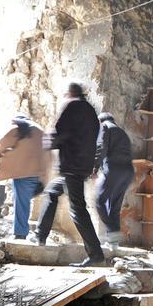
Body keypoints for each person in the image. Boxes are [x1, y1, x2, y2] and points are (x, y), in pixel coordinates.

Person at [32, 82, 104, 267]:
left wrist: (47, 143)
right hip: (80, 166)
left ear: (70, 93)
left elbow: (60, 133)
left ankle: (96, 254)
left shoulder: (72, 106)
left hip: (72, 166)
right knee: (52, 191)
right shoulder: (91, 111)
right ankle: (40, 235)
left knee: (77, 209)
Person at [0, 114, 49, 238]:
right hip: (36, 173)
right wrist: (44, 176)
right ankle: (20, 233)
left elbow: (3, 142)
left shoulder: (20, 128)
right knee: (23, 202)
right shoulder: (40, 131)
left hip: (20, 171)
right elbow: (47, 154)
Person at [94, 112, 134, 238]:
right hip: (128, 172)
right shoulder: (122, 132)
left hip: (113, 170)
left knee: (99, 200)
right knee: (114, 207)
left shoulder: (104, 127)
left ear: (100, 121)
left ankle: (112, 230)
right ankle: (114, 241)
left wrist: (94, 168)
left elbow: (101, 148)